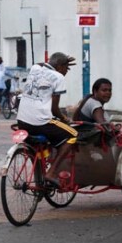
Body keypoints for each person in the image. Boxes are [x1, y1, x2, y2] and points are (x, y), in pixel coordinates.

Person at [16, 52, 78, 187]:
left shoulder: (35, 68)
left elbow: (41, 64)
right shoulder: (59, 77)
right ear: (60, 66)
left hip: (21, 120)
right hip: (40, 122)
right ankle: (51, 172)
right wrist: (64, 118)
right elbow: (54, 109)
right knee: (73, 135)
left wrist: (60, 60)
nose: (66, 71)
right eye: (67, 68)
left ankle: (39, 174)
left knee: (41, 143)